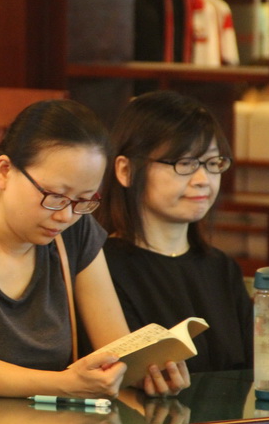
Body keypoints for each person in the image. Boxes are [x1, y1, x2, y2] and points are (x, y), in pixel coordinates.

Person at [0, 99, 190, 399]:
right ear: (4, 171)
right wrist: (65, 384)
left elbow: (116, 349)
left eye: (83, 200)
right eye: (55, 196)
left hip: (55, 421)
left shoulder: (76, 233)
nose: (66, 216)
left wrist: (144, 372)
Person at [96, 90, 252, 373]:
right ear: (126, 170)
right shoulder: (101, 268)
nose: (203, 180)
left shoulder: (222, 268)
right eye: (185, 163)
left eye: (213, 163)